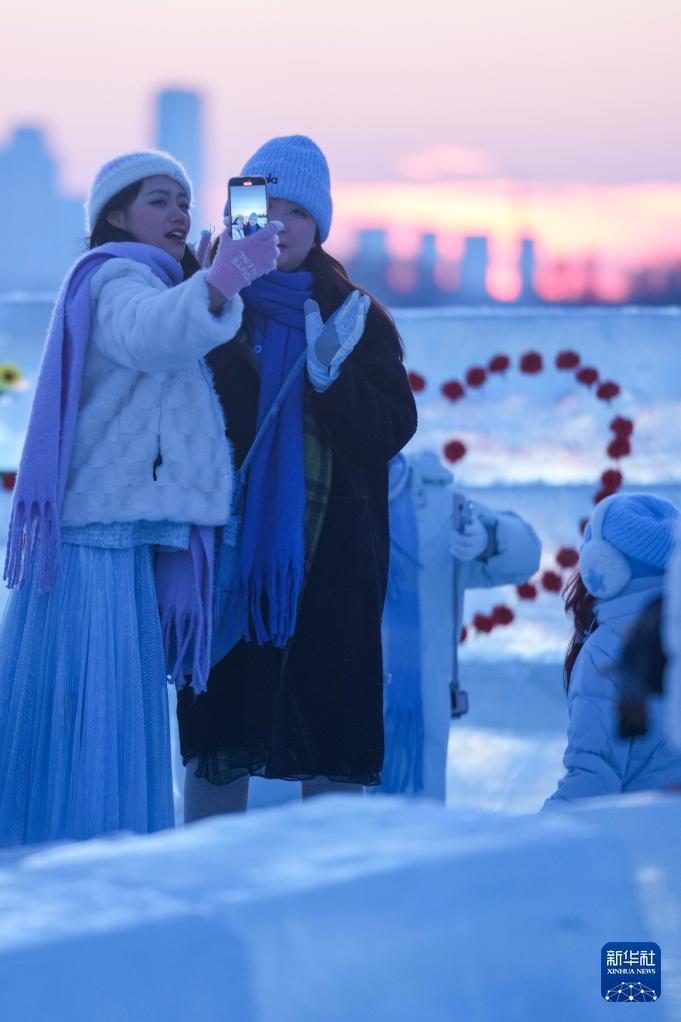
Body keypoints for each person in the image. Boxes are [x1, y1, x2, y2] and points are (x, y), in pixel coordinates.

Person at [0, 149, 280, 846]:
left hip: (115, 537)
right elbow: (152, 334)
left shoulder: (159, 282)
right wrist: (220, 279)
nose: (179, 214)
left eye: (184, 202)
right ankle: (84, 855)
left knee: (99, 714)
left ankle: (68, 848)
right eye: (159, 200)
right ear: (115, 214)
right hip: (97, 542)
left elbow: (174, 327)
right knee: (99, 714)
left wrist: (213, 282)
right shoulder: (117, 278)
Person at [177, 134, 418, 818]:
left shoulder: (352, 316)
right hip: (228, 561)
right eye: (264, 207)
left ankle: (330, 901)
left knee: (330, 741)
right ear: (238, 218)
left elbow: (388, 430)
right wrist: (208, 305)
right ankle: (202, 893)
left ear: (320, 227)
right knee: (218, 739)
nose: (279, 225)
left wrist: (328, 377)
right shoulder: (209, 303)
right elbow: (186, 411)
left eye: (297, 212)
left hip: (329, 565)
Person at [375, 450, 541, 802]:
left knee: (413, 825)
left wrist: (489, 539)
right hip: (336, 699)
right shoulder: (323, 488)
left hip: (417, 708)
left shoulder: (439, 505)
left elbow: (527, 554)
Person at [543, 493, 681, 808]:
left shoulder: (608, 651)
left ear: (602, 566)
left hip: (644, 841)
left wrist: (528, 841)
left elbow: (593, 780)